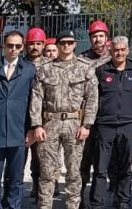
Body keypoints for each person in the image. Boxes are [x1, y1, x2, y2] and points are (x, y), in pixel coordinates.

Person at [30, 31, 97, 209]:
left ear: (75, 44)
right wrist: (36, 125)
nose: (66, 46)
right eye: (62, 43)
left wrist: (87, 125)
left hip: (75, 124)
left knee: (74, 172)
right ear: (57, 45)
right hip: (50, 123)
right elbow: (36, 98)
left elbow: (92, 98)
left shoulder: (85, 68)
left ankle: (72, 206)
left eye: (69, 42)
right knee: (46, 172)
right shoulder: (45, 69)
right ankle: (45, 205)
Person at [0, 31, 36, 209]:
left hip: (19, 131)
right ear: (2, 46)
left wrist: (32, 128)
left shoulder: (29, 70)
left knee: (16, 179)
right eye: (10, 45)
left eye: (18, 46)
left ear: (23, 47)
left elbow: (34, 102)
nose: (13, 49)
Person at [86, 36, 132, 209]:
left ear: (128, 51)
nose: (119, 53)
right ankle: (97, 203)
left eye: (123, 49)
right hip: (104, 126)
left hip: (128, 125)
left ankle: (123, 201)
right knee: (101, 168)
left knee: (126, 167)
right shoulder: (101, 71)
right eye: (116, 49)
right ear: (110, 50)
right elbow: (92, 98)